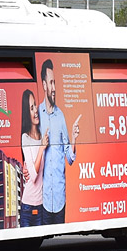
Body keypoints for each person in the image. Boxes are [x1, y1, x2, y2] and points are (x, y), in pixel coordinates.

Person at [39, 59, 80, 224]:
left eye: (55, 82)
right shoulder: (37, 116)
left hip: (60, 198)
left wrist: (74, 138)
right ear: (44, 85)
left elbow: (69, 159)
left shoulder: (61, 116)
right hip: (43, 200)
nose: (54, 88)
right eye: (51, 83)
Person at [19, 90, 45, 227]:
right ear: (27, 114)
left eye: (35, 105)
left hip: (41, 206)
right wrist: (41, 148)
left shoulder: (43, 134)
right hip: (27, 206)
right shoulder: (25, 138)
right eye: (31, 108)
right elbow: (33, 176)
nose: (35, 111)